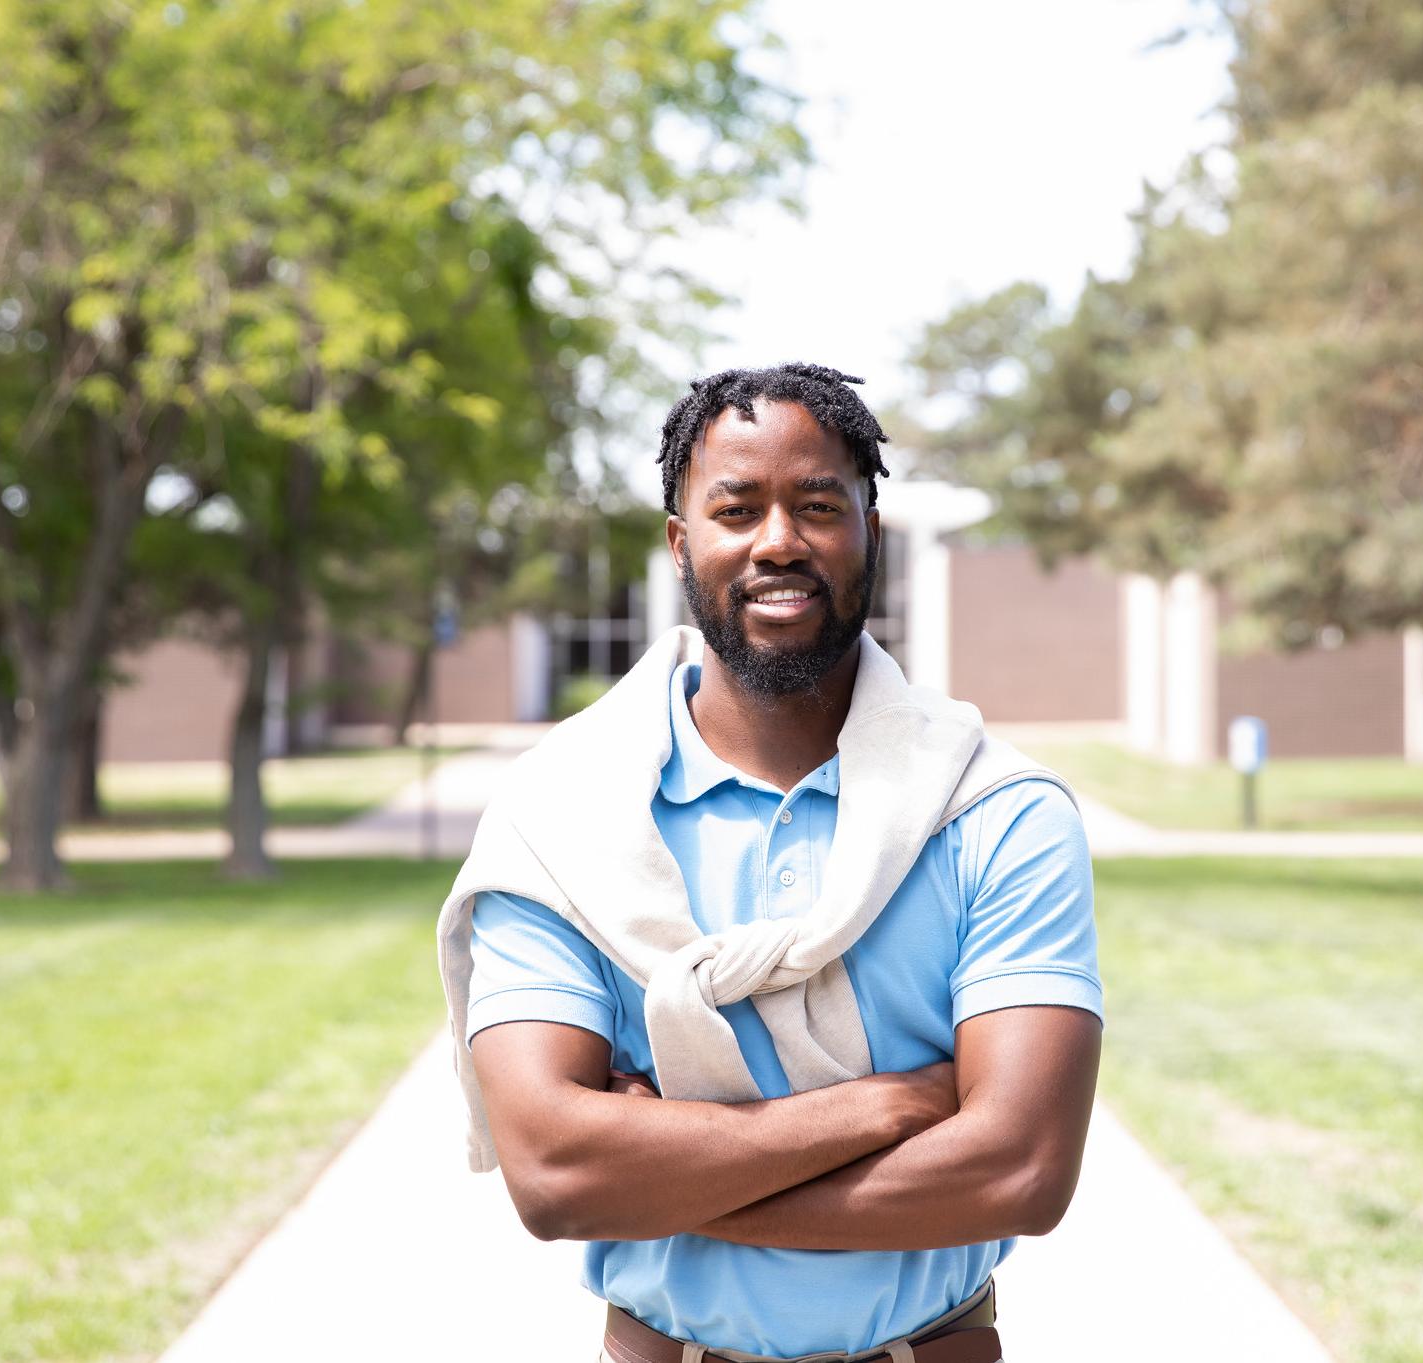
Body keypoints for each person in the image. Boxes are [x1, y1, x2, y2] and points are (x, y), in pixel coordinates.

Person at [434, 363, 1102, 1362]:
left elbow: (1019, 1171)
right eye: (737, 509)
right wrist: (882, 1107)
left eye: (819, 505)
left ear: (870, 529)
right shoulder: (558, 819)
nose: (778, 541)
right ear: (679, 542)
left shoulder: (998, 813)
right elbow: (554, 1177)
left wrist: (674, 1181)